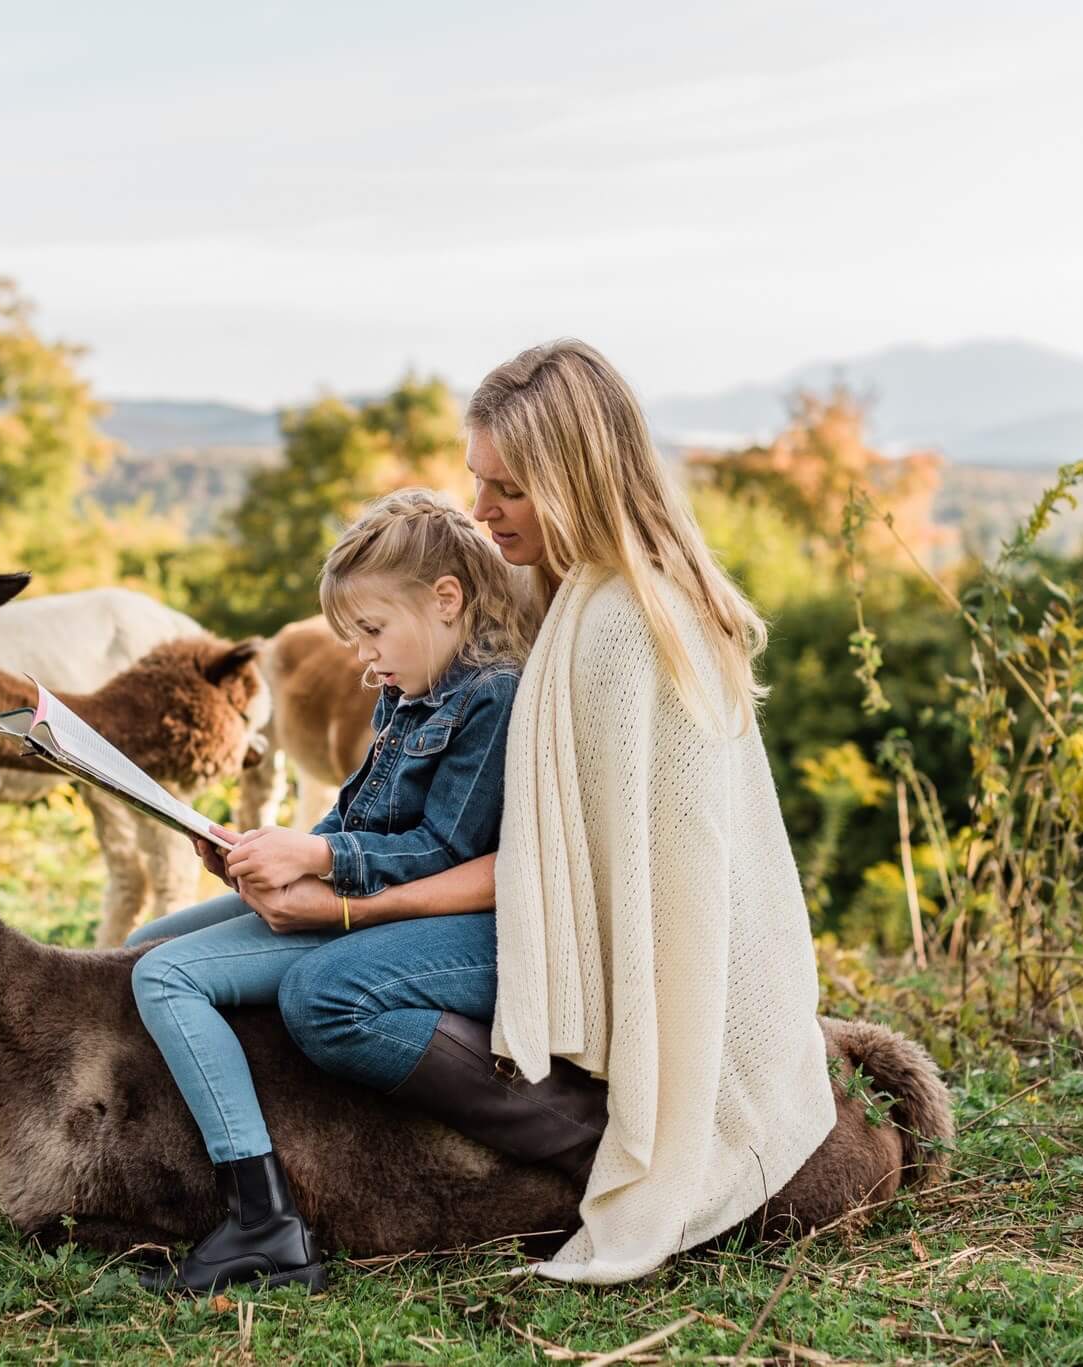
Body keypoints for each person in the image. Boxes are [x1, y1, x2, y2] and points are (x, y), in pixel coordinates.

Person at [230, 339, 838, 1285]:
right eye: (478, 481)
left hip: (605, 933)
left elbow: (600, 873)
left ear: (574, 477)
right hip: (532, 902)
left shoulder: (627, 626)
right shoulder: (555, 590)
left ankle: (583, 1146)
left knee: (329, 992)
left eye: (505, 488)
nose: (479, 511)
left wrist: (349, 906)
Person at [125, 488, 538, 1295]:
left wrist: (317, 858)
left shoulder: (491, 695)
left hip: (427, 917)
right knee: (146, 945)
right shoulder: (409, 684)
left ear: (445, 599)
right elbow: (355, 810)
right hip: (361, 884)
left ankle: (264, 1220)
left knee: (164, 976)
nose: (364, 657)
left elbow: (442, 848)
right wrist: (268, 854)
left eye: (373, 631)